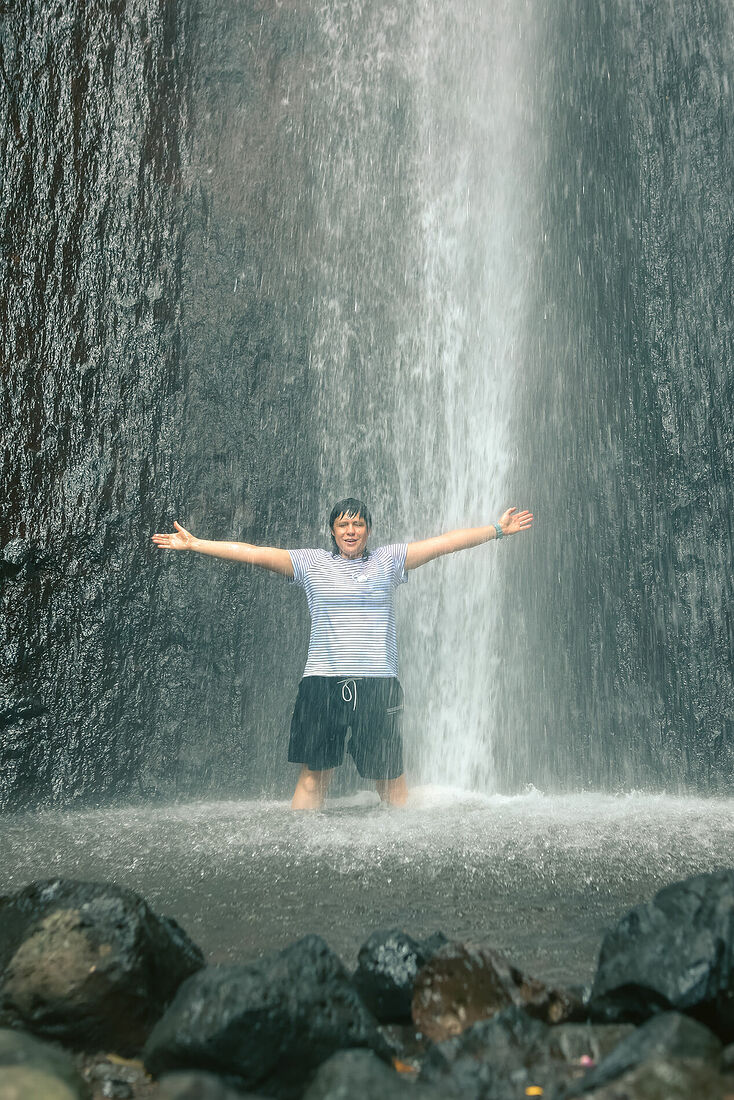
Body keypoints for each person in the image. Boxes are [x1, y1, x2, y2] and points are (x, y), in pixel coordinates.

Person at [151, 499, 533, 810]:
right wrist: (196, 543)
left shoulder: (389, 560)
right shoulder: (311, 564)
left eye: (358, 524)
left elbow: (444, 542)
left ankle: (403, 851)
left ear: (368, 530)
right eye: (343, 524)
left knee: (391, 781)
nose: (351, 531)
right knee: (313, 777)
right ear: (332, 531)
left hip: (378, 685)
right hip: (322, 684)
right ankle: (300, 849)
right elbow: (253, 553)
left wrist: (497, 530)